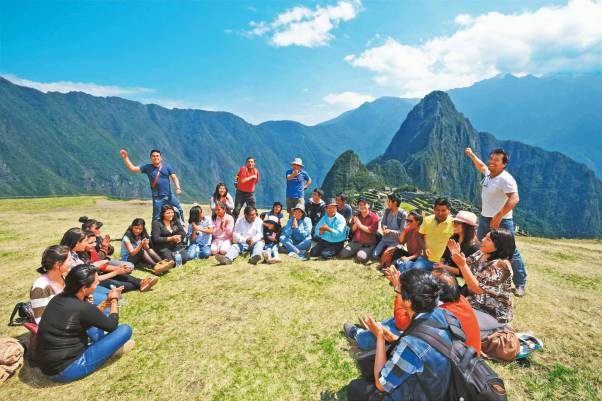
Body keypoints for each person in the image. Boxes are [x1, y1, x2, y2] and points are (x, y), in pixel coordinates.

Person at [346, 269, 458, 401]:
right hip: (442, 386)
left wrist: (380, 336)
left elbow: (381, 385)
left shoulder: (412, 345)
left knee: (355, 388)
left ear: (409, 301)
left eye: (398, 292)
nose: (397, 294)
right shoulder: (446, 315)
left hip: (422, 394)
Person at [36, 264, 134, 382]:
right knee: (125, 329)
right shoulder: (81, 307)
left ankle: (108, 348)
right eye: (96, 282)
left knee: (95, 326)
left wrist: (106, 302)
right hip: (67, 369)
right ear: (83, 288)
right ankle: (110, 351)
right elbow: (112, 326)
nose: (98, 283)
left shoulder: (58, 299)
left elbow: (92, 316)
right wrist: (114, 300)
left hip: (49, 365)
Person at [465, 147, 527, 297]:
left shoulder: (506, 179)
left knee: (510, 251)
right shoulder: (489, 174)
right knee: (482, 246)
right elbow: (481, 166)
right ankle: (481, 273)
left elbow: (514, 198)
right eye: (491, 158)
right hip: (485, 218)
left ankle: (520, 283)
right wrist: (472, 155)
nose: (492, 162)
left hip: (502, 221)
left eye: (497, 160)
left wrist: (499, 216)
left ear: (504, 164)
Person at [449, 228, 515, 334]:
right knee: (445, 312)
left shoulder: (500, 265)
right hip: (474, 303)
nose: (483, 239)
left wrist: (462, 264)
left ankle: (492, 331)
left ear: (499, 245)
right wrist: (456, 255)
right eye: (485, 237)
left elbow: (478, 289)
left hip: (492, 313)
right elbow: (467, 268)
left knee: (451, 322)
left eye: (488, 239)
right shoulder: (481, 253)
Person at [119, 148, 184, 224]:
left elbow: (174, 177)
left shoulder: (167, 167)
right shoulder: (147, 167)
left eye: (157, 156)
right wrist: (125, 158)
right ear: (151, 158)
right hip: (157, 198)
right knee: (156, 217)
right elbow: (132, 168)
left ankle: (183, 227)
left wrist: (178, 188)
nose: (156, 157)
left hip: (169, 195)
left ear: (161, 158)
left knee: (179, 210)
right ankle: (155, 234)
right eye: (153, 156)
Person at [80, 231, 156, 293]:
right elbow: (94, 278)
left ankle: (141, 282)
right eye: (91, 243)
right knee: (115, 283)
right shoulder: (79, 258)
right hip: (92, 281)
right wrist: (115, 271)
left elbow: (101, 264)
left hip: (98, 274)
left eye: (95, 242)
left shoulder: (91, 250)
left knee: (122, 275)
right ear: (81, 242)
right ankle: (139, 284)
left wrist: (118, 269)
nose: (94, 244)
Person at [432, 268, 482, 355]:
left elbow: (405, 325)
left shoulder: (441, 312)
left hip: (460, 361)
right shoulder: (461, 299)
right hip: (472, 355)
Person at [399, 197, 454, 272]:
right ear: (434, 210)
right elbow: (420, 236)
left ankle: (407, 265)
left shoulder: (453, 224)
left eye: (443, 210)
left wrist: (446, 260)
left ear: (449, 211)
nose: (440, 213)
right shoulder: (427, 220)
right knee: (415, 274)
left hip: (442, 263)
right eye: (438, 210)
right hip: (425, 259)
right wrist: (425, 248)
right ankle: (406, 266)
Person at [60, 228, 110, 304]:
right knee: (108, 299)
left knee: (111, 295)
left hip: (85, 286)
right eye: (86, 241)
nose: (87, 243)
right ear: (77, 243)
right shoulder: (67, 258)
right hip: (77, 291)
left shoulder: (75, 253)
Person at [30, 245, 72, 324]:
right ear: (57, 264)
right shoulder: (40, 287)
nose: (72, 261)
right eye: (69, 260)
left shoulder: (64, 275)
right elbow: (40, 319)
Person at [438, 211, 480, 275]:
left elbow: (465, 272)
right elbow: (444, 256)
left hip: (459, 279)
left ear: (466, 227)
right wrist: (440, 263)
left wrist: (445, 267)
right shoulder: (454, 238)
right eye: (454, 222)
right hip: (445, 270)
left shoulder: (474, 248)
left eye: (457, 223)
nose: (453, 225)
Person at [339, 197, 379, 264]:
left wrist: (360, 225)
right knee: (342, 254)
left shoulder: (374, 217)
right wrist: (356, 224)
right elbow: (352, 230)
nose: (362, 206)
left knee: (361, 258)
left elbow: (371, 231)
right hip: (356, 242)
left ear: (368, 205)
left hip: (367, 244)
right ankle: (357, 251)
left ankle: (363, 251)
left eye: (364, 204)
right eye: (360, 205)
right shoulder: (357, 215)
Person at [372, 193, 407, 261]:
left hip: (395, 241)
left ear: (395, 202)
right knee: (374, 256)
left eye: (389, 201)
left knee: (387, 258)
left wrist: (390, 231)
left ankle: (393, 250)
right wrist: (383, 227)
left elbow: (401, 232)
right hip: (385, 239)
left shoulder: (402, 214)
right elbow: (383, 223)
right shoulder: (387, 211)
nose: (387, 203)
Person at [233, 156, 260, 221]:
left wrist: (249, 187)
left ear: (254, 163)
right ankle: (233, 224)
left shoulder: (256, 171)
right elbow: (243, 180)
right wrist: (252, 176)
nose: (250, 163)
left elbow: (256, 181)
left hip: (250, 193)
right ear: (246, 163)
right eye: (249, 162)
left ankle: (253, 224)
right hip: (240, 192)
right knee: (236, 210)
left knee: (253, 210)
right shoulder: (243, 169)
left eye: (252, 162)